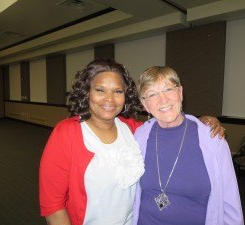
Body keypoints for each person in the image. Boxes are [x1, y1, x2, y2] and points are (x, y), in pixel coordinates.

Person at [39, 59, 225, 225]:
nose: (109, 99)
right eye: (100, 90)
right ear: (87, 93)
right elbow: (53, 207)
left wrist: (203, 122)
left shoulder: (133, 129)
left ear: (125, 95)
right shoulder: (67, 133)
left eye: (117, 91)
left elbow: (167, 125)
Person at [133, 66, 243, 225]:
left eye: (168, 89)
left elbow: (230, 202)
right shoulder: (139, 136)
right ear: (144, 104)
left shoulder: (212, 139)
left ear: (180, 92)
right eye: (152, 94)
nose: (163, 100)